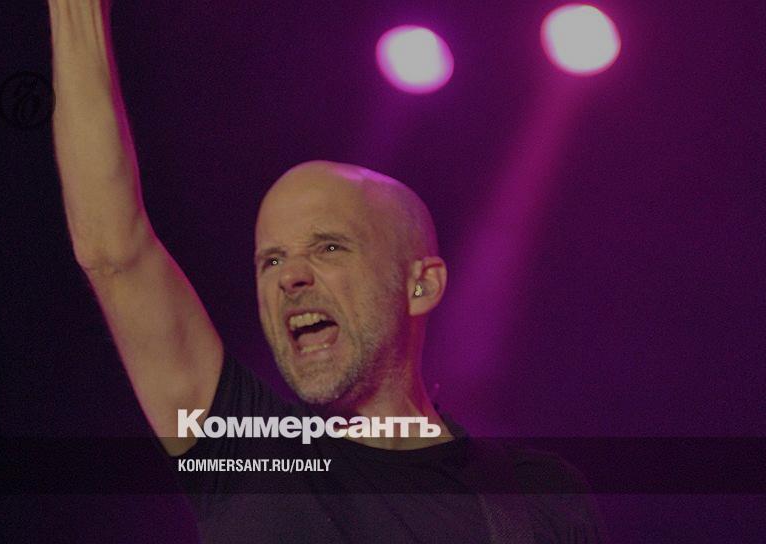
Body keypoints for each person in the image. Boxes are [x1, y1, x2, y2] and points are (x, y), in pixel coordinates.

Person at [48, 1, 603, 542]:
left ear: (421, 285)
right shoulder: (251, 456)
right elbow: (116, 254)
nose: (289, 277)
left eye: (329, 248)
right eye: (270, 260)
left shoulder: (534, 496)